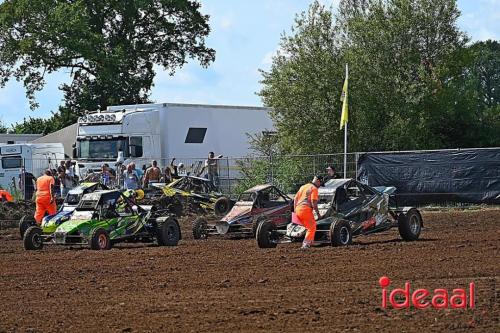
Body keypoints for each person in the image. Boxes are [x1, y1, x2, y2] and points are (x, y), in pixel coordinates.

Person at [293, 175, 323, 249]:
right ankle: (306, 244)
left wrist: (295, 211)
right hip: (305, 209)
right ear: (318, 181)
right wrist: (318, 214)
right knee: (312, 227)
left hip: (298, 209)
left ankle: (310, 242)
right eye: (320, 184)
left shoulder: (303, 186)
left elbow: (295, 199)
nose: (320, 186)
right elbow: (313, 202)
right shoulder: (314, 188)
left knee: (307, 226)